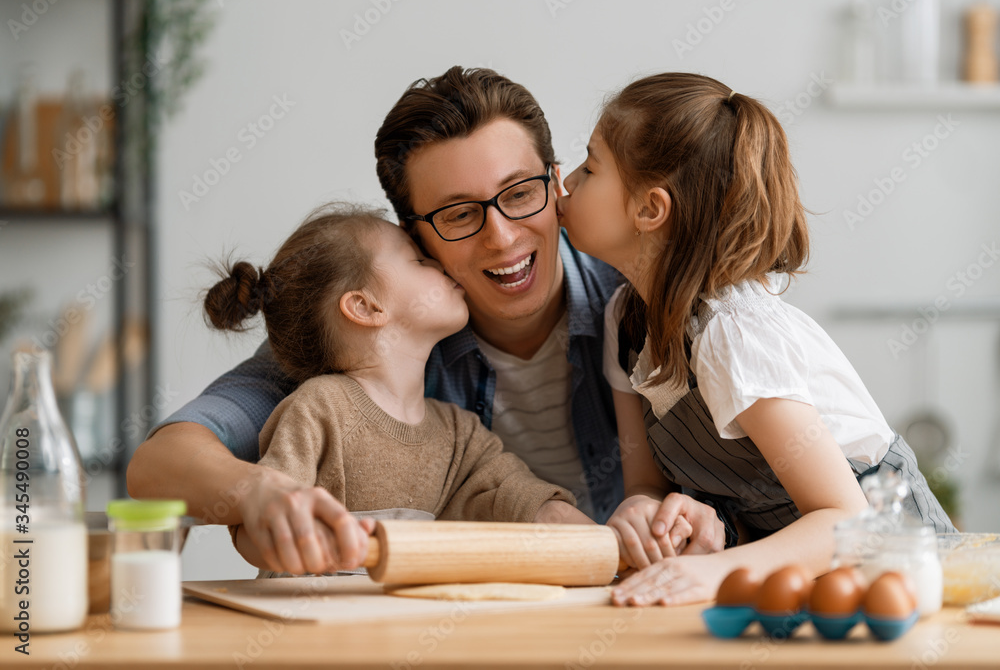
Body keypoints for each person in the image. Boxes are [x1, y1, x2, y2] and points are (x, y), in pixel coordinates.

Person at [127, 67, 727, 574]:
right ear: (414, 236)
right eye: (458, 214)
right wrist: (259, 492)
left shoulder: (643, 305)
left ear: (557, 183)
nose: (502, 236)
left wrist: (702, 521)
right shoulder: (370, 348)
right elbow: (161, 462)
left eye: (520, 193)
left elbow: (776, 486)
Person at [556, 72, 955, 606]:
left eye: (589, 166)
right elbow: (647, 484)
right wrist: (645, 512)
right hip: (788, 580)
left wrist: (714, 572)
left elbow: (847, 519)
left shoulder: (733, 334)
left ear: (649, 210)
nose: (568, 184)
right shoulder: (624, 320)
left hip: (898, 567)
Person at [200, 204, 588, 574]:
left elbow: (518, 497)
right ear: (366, 308)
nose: (440, 263)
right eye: (419, 261)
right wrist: (289, 542)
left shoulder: (460, 433)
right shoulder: (319, 408)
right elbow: (258, 524)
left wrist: (606, 538)